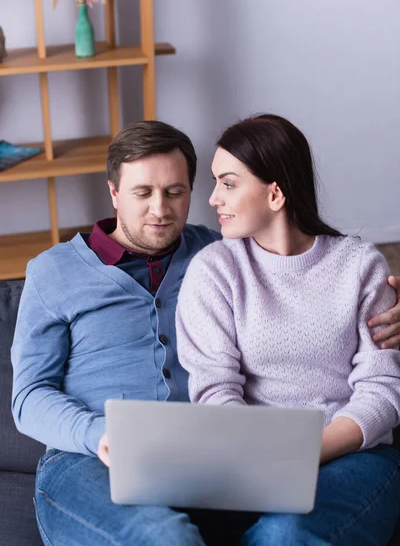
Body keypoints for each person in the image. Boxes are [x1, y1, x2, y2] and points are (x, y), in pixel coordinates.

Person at [11, 120, 400, 546]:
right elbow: (29, 396)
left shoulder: (220, 253)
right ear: (114, 192)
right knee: (162, 539)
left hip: (209, 464)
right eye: (142, 193)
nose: (160, 209)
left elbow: (299, 263)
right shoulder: (52, 272)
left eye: (175, 192)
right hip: (90, 458)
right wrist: (99, 434)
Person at [176, 114, 400, 546]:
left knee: (287, 533)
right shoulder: (214, 271)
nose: (212, 198)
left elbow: (383, 388)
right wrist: (263, 462)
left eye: (228, 183)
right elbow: (214, 391)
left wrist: (302, 453)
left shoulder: (359, 265)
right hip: (249, 461)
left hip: (355, 455)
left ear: (275, 193)